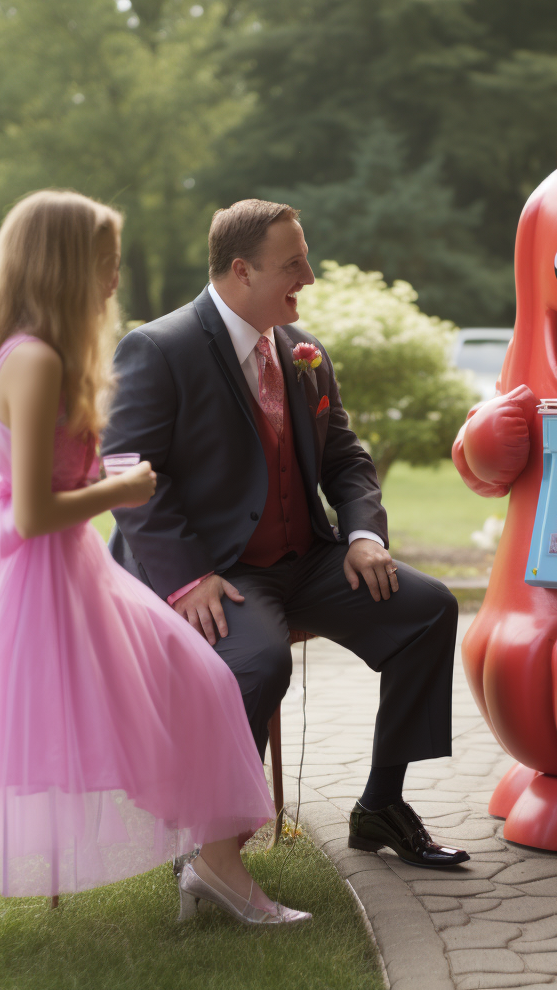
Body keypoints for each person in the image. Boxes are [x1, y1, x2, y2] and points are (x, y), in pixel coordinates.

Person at [0, 189, 310, 930]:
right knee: (202, 688)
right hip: (44, 584)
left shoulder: (37, 353)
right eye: (106, 262)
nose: (115, 278)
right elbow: (32, 511)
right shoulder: (36, 362)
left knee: (204, 683)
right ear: (65, 266)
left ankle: (214, 864)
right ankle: (218, 867)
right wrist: (123, 487)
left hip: (74, 573)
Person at [101, 199, 468, 868]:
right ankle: (211, 850)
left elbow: (347, 461)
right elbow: (128, 472)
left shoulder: (305, 352)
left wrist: (364, 538)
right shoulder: (160, 348)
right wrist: (186, 577)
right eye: (293, 264)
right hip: (221, 570)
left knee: (429, 610)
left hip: (310, 559)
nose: (310, 276)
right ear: (242, 270)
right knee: (259, 662)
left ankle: (381, 805)